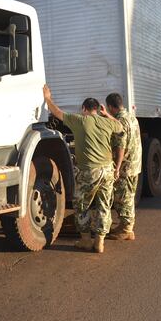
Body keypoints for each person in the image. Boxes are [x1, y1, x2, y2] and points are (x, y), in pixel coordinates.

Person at [42, 84, 124, 253]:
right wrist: (107, 114)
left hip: (89, 171)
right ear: (97, 109)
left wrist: (47, 98)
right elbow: (120, 127)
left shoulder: (80, 121)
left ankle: (86, 240)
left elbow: (57, 113)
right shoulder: (107, 122)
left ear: (84, 109)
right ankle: (100, 241)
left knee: (81, 204)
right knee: (104, 205)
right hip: (107, 170)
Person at [101, 93, 142, 241]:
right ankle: (125, 226)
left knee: (123, 198)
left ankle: (126, 229)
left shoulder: (120, 121)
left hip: (125, 166)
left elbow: (120, 147)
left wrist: (117, 168)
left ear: (110, 106)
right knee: (128, 196)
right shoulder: (131, 117)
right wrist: (107, 116)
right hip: (134, 163)